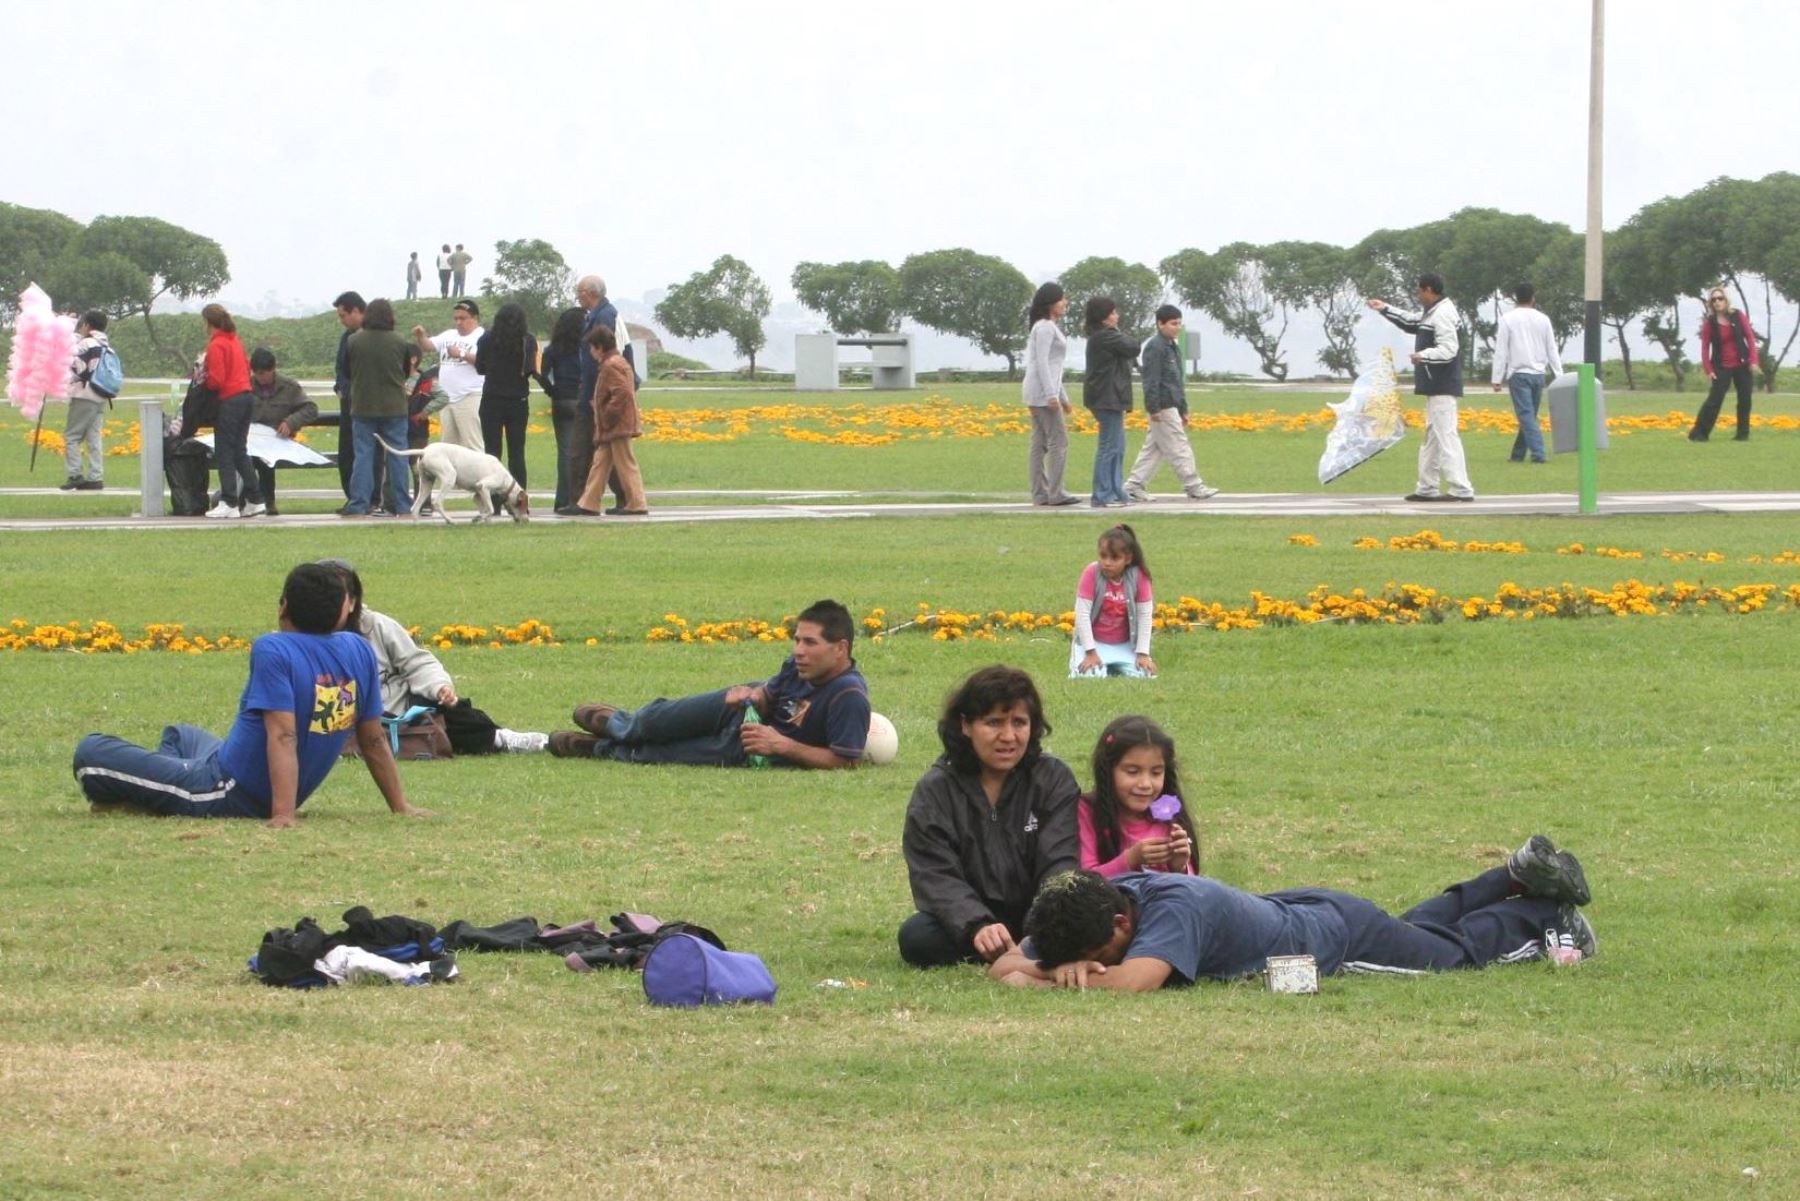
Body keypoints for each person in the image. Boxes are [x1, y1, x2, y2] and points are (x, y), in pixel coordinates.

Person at [71, 563, 433, 828]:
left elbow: (283, 734)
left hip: (228, 791)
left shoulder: (273, 648)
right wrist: (399, 806)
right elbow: (373, 740)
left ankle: (165, 796)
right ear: (343, 610)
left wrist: (283, 814)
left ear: (283, 607)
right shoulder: (358, 648)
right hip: (227, 765)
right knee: (180, 734)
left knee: (91, 753)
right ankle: (156, 796)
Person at [991, 833, 1596, 990]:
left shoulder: (1174, 909)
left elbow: (1135, 982)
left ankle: (1545, 916)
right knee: (1415, 930)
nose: (1092, 969)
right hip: (1310, 908)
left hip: (1338, 942)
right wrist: (1050, 965)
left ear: (1122, 926)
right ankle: (1511, 874)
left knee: (1452, 959)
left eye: (1096, 960)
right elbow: (1002, 964)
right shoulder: (1092, 904)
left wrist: (1044, 982)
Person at [897, 666, 1079, 967]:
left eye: (1019, 722)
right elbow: (934, 873)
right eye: (993, 722)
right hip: (973, 923)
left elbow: (1060, 861)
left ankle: (1029, 949)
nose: (1008, 736)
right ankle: (1003, 951)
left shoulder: (1052, 779)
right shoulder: (936, 790)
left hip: (1040, 918)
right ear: (965, 725)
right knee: (918, 937)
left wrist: (1042, 925)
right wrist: (977, 925)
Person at [547, 599, 870, 768]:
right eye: (797, 640)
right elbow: (770, 696)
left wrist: (781, 745)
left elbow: (845, 760)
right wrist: (754, 697)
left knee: (661, 755)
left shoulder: (849, 696)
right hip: (739, 714)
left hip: (746, 749)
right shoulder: (797, 666)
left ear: (840, 648)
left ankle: (599, 748)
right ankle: (621, 723)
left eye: (810, 643)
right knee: (661, 717)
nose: (798, 650)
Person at [320, 560, 548, 753]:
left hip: (398, 708)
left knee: (451, 711)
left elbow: (417, 663)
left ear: (352, 602)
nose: (327, 607)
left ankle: (501, 739)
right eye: (322, 599)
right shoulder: (302, 638)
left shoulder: (376, 625)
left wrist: (439, 687)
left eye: (336, 599)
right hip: (343, 718)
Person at [1369, 272, 1474, 502]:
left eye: (1419, 291)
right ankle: (1427, 488)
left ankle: (1461, 489)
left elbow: (1449, 349)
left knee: (1446, 437)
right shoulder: (1432, 312)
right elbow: (1411, 322)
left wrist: (1423, 355)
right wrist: (1384, 308)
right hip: (1435, 385)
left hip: (1443, 385)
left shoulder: (1443, 314)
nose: (1417, 295)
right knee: (1432, 438)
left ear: (1428, 290)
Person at [1078, 715, 1198, 878]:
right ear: (1107, 770)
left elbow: (1192, 891)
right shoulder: (1086, 812)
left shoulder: (1168, 816)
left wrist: (1179, 867)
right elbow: (1084, 882)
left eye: (1156, 773)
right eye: (1132, 772)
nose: (1145, 784)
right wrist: (1130, 860)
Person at [1125, 305, 1218, 502]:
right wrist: (1153, 408)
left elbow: (1177, 381)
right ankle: (1194, 485)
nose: (1177, 327)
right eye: (1173, 323)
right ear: (1160, 324)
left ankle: (1133, 485)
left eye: (1179, 323)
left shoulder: (1172, 347)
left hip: (1172, 405)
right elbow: (1151, 380)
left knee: (1155, 449)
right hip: (1163, 406)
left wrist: (1183, 409)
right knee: (1178, 446)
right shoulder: (1155, 347)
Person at [342, 299, 414, 518]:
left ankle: (359, 504)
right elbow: (405, 371)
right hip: (394, 407)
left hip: (363, 406)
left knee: (363, 455)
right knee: (398, 456)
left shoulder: (354, 340)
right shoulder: (399, 340)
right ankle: (402, 505)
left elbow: (346, 370)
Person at [559, 274, 624, 515]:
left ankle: (584, 501)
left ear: (590, 293)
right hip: (591, 391)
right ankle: (597, 499)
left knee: (584, 450)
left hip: (595, 394)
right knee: (601, 450)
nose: (578, 297)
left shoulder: (604, 316)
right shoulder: (599, 314)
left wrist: (598, 395)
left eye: (580, 292)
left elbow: (605, 357)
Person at [570, 324, 646, 517]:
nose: (591, 352)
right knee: (600, 464)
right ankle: (589, 502)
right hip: (612, 426)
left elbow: (622, 393)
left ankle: (637, 503)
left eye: (592, 348)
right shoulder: (617, 362)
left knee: (625, 463)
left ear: (600, 347)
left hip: (616, 425)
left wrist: (606, 414)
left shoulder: (611, 365)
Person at [199, 303, 265, 519]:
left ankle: (229, 501)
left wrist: (203, 379)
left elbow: (216, 380)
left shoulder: (216, 345)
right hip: (246, 396)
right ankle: (255, 499)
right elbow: (246, 369)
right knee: (240, 450)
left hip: (229, 400)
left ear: (209, 322)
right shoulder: (235, 341)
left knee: (224, 451)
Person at [1490, 283, 1564, 465]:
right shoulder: (1543, 319)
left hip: (1518, 373)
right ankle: (1517, 454)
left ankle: (1538, 453)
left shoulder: (1508, 319)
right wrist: (1558, 374)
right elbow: (1551, 349)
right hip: (1538, 374)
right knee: (1528, 415)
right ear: (1533, 298)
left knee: (1526, 415)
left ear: (1516, 298)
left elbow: (1501, 351)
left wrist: (1497, 378)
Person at [1070, 523, 1155, 678]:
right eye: (1103, 556)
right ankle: (1099, 665)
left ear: (1128, 558)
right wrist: (1090, 652)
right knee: (1088, 676)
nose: (1107, 563)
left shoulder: (1139, 576)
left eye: (1115, 558)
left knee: (1146, 675)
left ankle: (1116, 667)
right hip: (1094, 644)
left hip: (1126, 645)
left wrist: (1142, 653)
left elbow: (1145, 616)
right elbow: (1082, 614)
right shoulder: (1091, 573)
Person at [1022, 282, 1080, 506]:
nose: (1065, 303)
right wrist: (1051, 395)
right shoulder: (1046, 327)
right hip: (1041, 392)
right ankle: (1056, 492)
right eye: (1062, 299)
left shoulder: (1042, 326)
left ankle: (1040, 493)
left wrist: (1062, 396)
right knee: (1059, 441)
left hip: (1038, 390)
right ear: (1051, 303)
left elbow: (1053, 367)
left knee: (1039, 443)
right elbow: (1044, 363)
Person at [247, 347, 320, 515]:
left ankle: (268, 502)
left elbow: (311, 409)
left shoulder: (289, 387)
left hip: (278, 439)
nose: (261, 378)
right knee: (245, 457)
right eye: (257, 374)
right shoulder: (246, 385)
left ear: (273, 369)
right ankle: (250, 499)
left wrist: (291, 422)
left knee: (266, 458)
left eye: (264, 373)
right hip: (252, 438)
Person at [1083, 296, 1140, 508]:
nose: (1117, 316)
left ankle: (1116, 490)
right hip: (1107, 397)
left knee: (1118, 446)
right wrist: (1119, 332)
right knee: (1109, 446)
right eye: (1113, 313)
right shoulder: (1106, 337)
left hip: (1109, 397)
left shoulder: (1103, 337)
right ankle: (1102, 493)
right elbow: (1133, 346)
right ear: (1104, 318)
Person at [472, 301, 536, 488]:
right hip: (518, 401)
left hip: (492, 399)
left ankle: (494, 500)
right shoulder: (528, 340)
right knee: (517, 452)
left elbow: (479, 368)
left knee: (492, 453)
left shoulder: (487, 339)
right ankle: (519, 496)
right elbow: (530, 369)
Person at [411, 299, 486, 451]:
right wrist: (421, 336)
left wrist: (462, 354)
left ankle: (477, 475)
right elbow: (429, 346)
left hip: (469, 396)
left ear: (475, 318)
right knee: (448, 447)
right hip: (447, 398)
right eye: (456, 318)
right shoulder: (449, 335)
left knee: (472, 444)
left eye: (463, 318)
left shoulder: (482, 336)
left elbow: (485, 360)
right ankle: (454, 475)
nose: (458, 322)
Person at [1690, 286, 1760, 442]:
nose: (1717, 302)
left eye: (1719, 298)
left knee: (1745, 400)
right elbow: (1705, 347)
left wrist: (1754, 360)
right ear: (1710, 303)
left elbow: (1749, 337)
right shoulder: (1710, 323)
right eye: (1713, 299)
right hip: (1721, 366)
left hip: (1742, 364)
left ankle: (1742, 435)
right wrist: (1708, 370)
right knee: (1714, 401)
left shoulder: (1738, 315)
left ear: (1726, 300)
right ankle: (1699, 434)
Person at [539, 306, 586, 512]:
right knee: (583, 452)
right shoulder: (585, 348)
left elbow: (544, 374)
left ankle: (563, 499)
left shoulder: (553, 349)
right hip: (581, 399)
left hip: (561, 400)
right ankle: (582, 498)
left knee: (565, 452)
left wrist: (553, 391)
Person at [61, 310, 112, 492]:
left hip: (84, 394)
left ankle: (75, 474)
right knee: (94, 437)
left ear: (87, 325)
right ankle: (96, 477)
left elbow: (79, 369)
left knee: (72, 436)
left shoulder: (85, 344)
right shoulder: (104, 344)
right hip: (101, 394)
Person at [331, 292, 367, 507]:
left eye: (343, 315)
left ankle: (367, 497)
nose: (342, 320)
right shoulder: (347, 337)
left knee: (364, 453)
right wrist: (342, 387)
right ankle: (351, 496)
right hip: (348, 401)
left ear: (356, 311)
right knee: (346, 452)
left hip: (367, 404)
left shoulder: (376, 333)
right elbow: (340, 367)